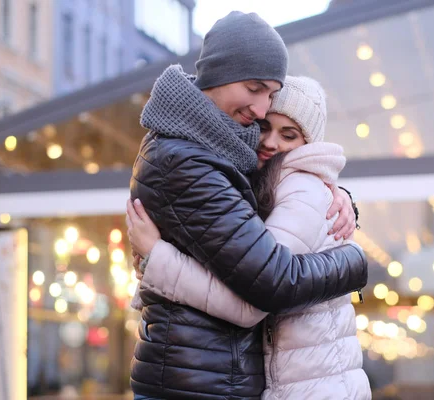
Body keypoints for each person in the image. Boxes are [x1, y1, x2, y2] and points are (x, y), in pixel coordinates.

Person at [128, 11, 367, 399]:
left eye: (270, 95)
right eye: (254, 88)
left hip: (215, 378)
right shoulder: (189, 160)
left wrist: (340, 198)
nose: (259, 111)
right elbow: (270, 284)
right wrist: (353, 262)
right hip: (197, 382)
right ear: (220, 73)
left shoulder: (223, 154)